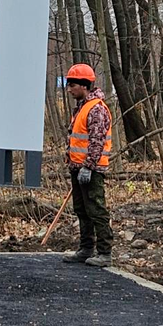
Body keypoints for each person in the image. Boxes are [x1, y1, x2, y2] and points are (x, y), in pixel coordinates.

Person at [61, 63, 114, 267]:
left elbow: (97, 141)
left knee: (96, 210)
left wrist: (88, 166)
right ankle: (86, 249)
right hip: (78, 168)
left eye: (72, 85)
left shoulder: (97, 109)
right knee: (82, 210)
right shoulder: (83, 107)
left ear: (84, 85)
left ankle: (104, 252)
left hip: (91, 170)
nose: (70, 89)